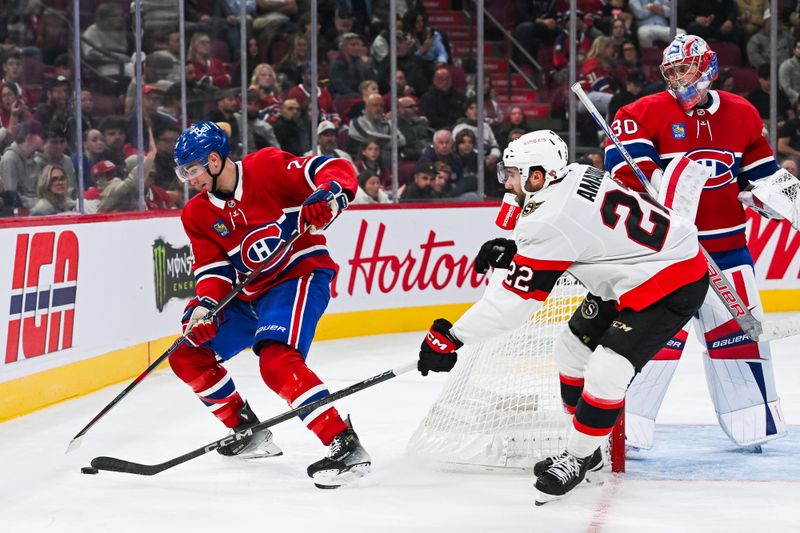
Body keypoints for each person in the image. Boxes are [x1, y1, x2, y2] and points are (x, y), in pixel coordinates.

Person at [416, 129, 708, 504]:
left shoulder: (551, 219)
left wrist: (452, 336)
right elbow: (581, 238)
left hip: (670, 282)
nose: (508, 182)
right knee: (570, 351)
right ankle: (589, 449)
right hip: (627, 273)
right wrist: (520, 250)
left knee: (607, 370)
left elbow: (512, 303)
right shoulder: (573, 174)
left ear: (539, 176)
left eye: (514, 174)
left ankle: (577, 456)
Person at [605, 34, 787, 450]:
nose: (675, 78)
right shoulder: (638, 113)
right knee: (652, 345)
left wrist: (770, 198)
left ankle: (752, 424)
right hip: (662, 256)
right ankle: (622, 431)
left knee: (737, 339)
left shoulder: (742, 113)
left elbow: (764, 177)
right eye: (669, 71)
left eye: (683, 68)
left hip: (727, 251)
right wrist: (664, 195)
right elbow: (630, 183)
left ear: (707, 67)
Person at [169, 121, 370, 488]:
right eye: (183, 171)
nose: (188, 179)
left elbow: (332, 170)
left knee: (276, 361)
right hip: (250, 296)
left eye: (192, 169)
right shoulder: (196, 214)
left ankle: (344, 443)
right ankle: (247, 432)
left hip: (299, 275)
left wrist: (330, 195)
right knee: (186, 353)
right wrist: (205, 307)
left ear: (214, 160)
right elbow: (213, 270)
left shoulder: (267, 167)